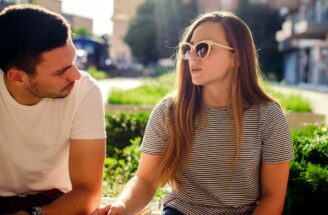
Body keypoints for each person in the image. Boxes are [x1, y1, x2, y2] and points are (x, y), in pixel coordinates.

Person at [94, 11, 294, 215]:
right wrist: (121, 205)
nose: (191, 57)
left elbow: (273, 196)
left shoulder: (268, 116)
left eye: (203, 48)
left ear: (237, 57)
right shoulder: (169, 110)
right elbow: (145, 180)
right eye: (187, 49)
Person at [0, 4, 106, 214]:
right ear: (17, 77)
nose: (76, 75)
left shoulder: (84, 91)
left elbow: (88, 192)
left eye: (74, 61)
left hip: (56, 204)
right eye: (61, 71)